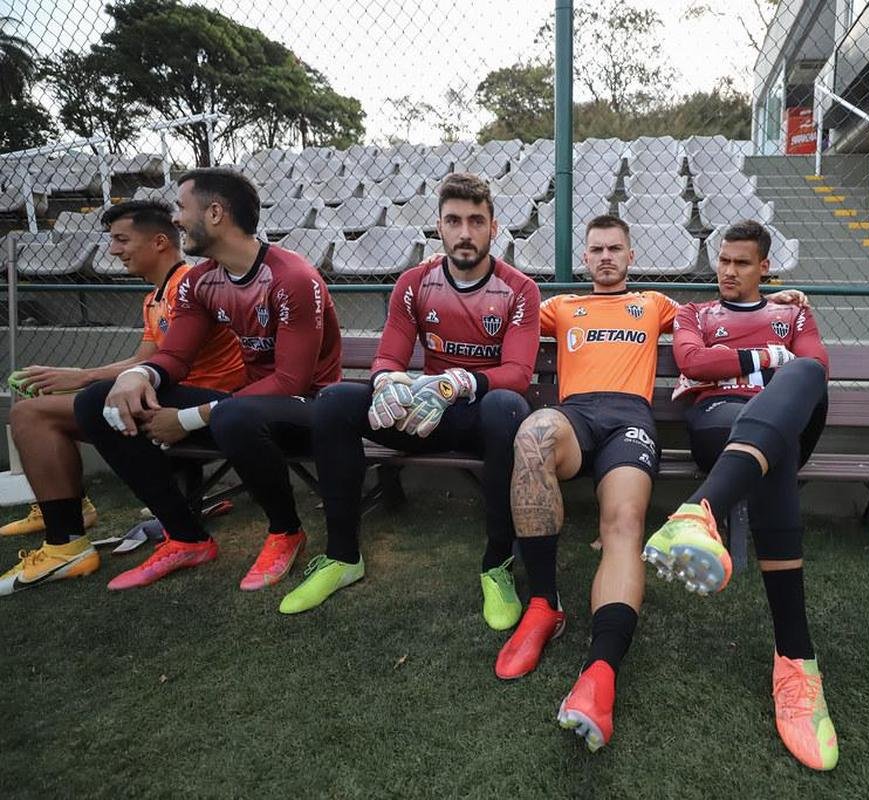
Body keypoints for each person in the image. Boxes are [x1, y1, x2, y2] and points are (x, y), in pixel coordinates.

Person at [495, 216, 802, 752]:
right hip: (575, 417)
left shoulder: (657, 304)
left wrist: (783, 300)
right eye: (597, 249)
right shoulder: (561, 307)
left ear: (631, 255)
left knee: (625, 524)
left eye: (616, 248)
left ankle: (600, 676)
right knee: (531, 436)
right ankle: (544, 606)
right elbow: (506, 313)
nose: (606, 257)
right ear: (584, 258)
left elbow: (721, 312)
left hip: (632, 421)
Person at [277, 173, 540, 626]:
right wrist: (386, 384)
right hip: (419, 416)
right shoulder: (415, 282)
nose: (464, 232)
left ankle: (497, 565)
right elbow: (389, 357)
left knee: (507, 408)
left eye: (476, 221)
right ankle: (342, 557)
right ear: (438, 226)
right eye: (454, 221)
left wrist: (453, 384)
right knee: (335, 401)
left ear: (494, 228)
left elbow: (516, 374)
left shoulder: (519, 290)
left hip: (474, 420)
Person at [74, 168, 342, 592]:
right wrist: (137, 375)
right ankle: (185, 537)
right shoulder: (201, 282)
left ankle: (286, 532)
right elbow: (175, 357)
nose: (177, 219)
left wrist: (188, 418)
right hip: (241, 409)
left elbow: (291, 381)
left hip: (310, 413)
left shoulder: (292, 277)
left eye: (182, 208)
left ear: (215, 212)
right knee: (96, 401)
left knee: (233, 416)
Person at [644, 220, 838, 770]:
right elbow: (693, 364)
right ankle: (796, 660)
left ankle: (697, 510)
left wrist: (780, 361)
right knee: (769, 445)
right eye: (723, 261)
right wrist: (770, 359)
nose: (728, 272)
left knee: (802, 372)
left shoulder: (793, 312)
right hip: (716, 423)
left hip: (787, 418)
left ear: (765, 267)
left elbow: (817, 367)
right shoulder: (694, 314)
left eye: (742, 263)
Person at [0, 200, 245, 595]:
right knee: (34, 411)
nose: (113, 249)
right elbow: (144, 361)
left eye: (121, 239)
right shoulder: (154, 297)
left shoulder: (191, 284)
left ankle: (68, 538)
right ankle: (65, 513)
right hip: (162, 401)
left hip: (207, 408)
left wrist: (84, 379)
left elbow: (168, 361)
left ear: (160, 242)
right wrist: (75, 377)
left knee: (43, 413)